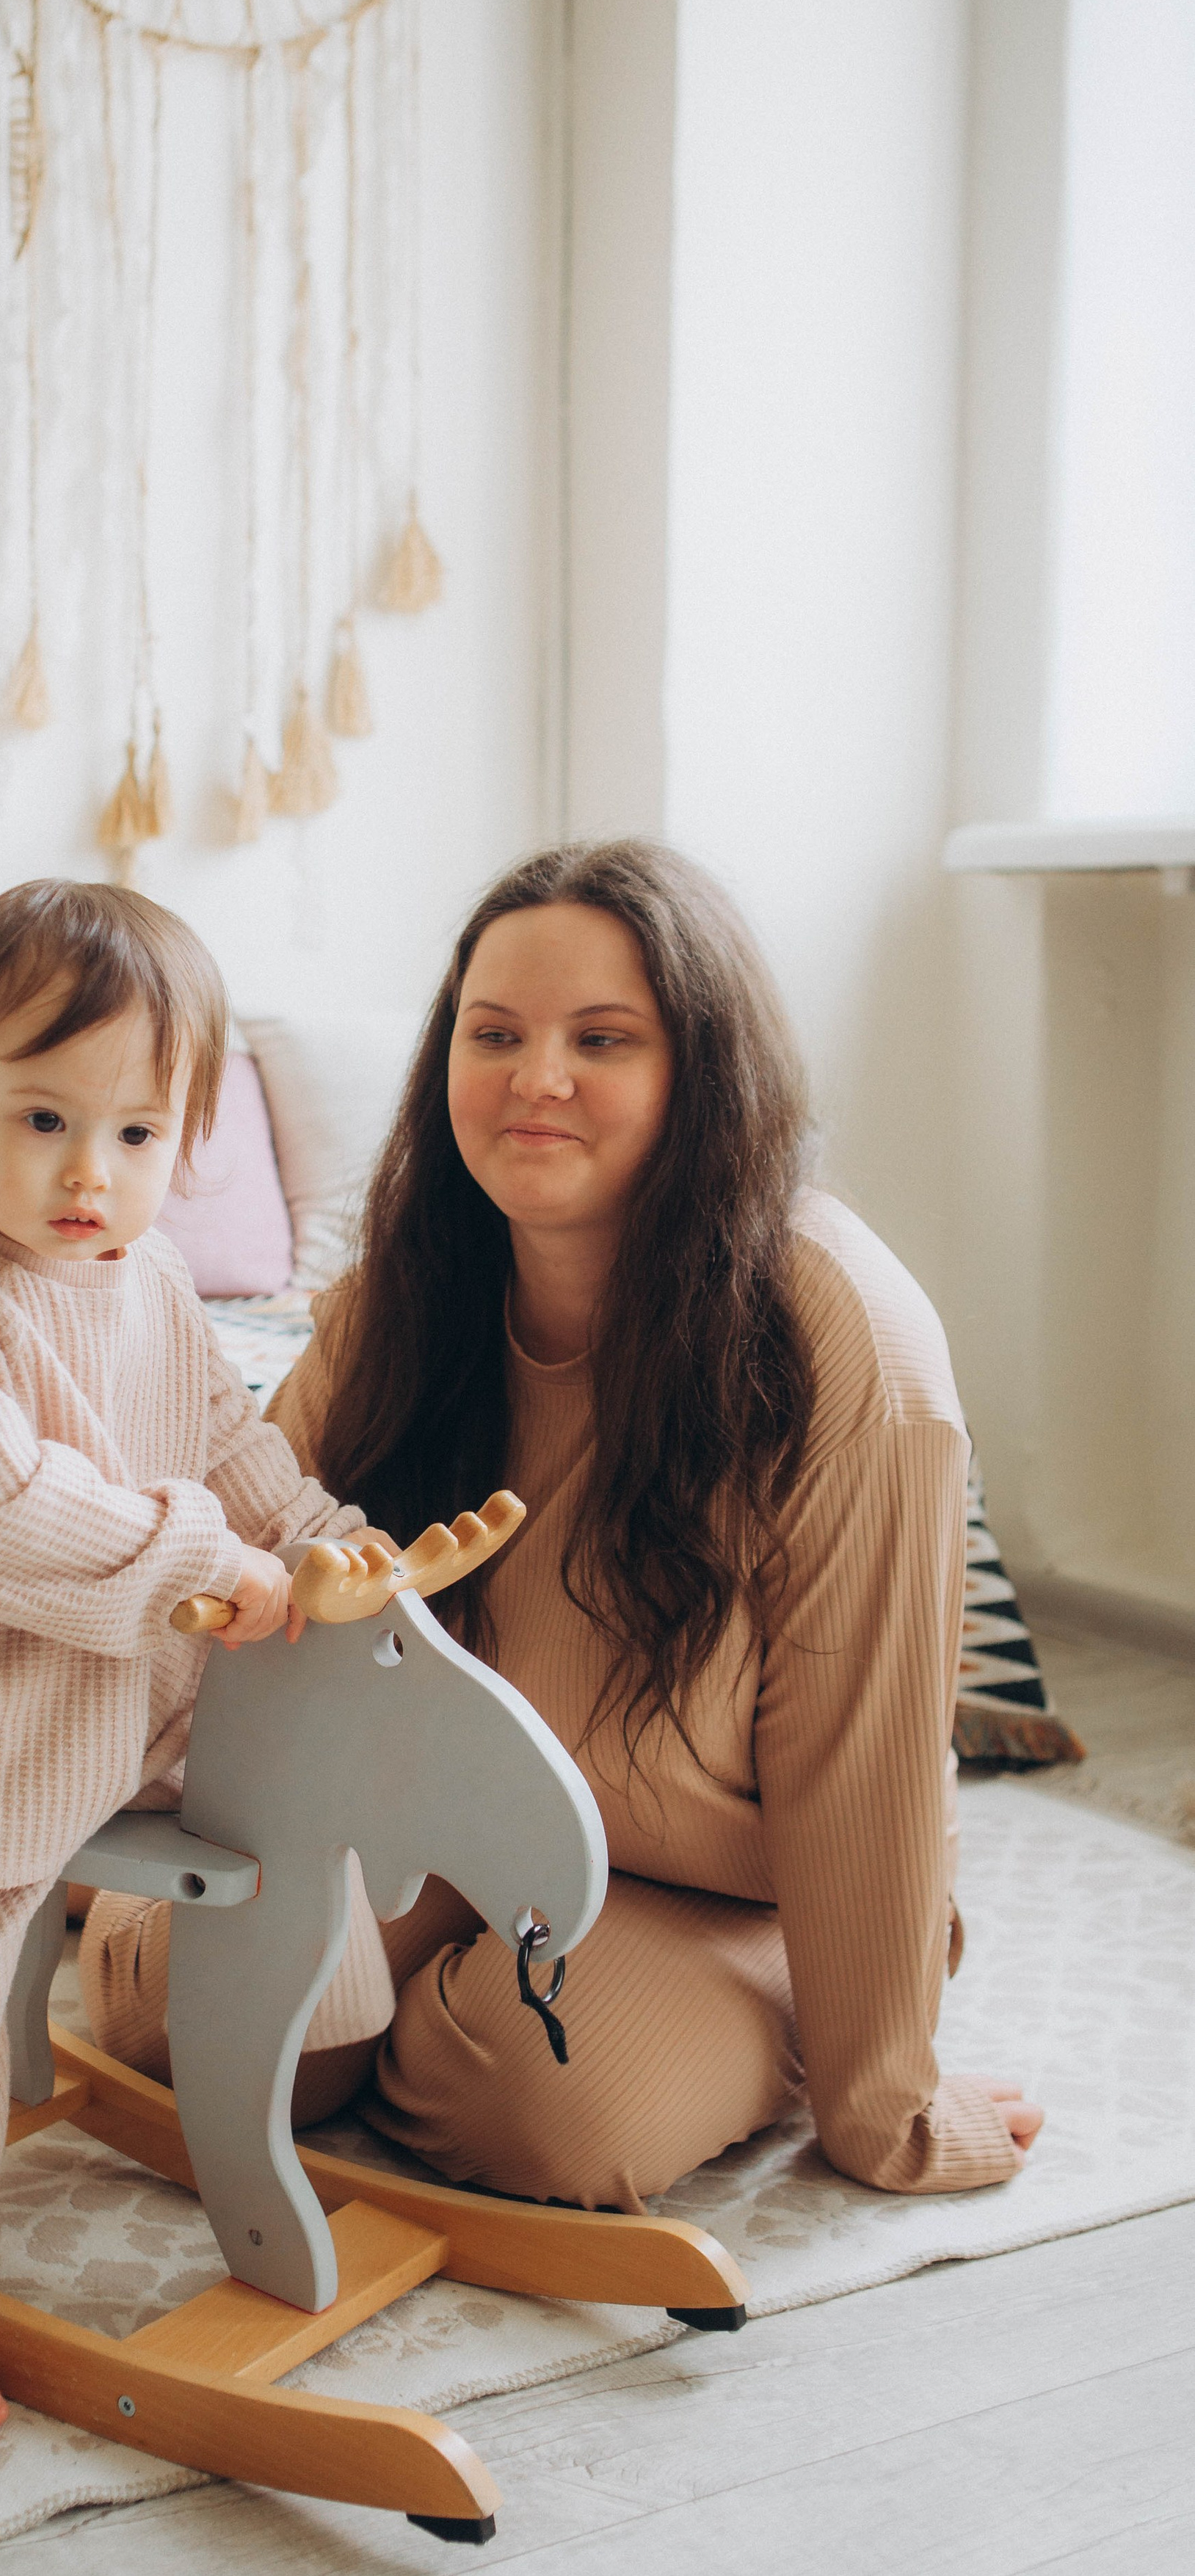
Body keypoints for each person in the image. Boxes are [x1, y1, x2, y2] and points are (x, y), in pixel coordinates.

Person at [82, 840, 1045, 2210]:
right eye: (496, 1035)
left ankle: (715, 2024)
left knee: (524, 2097)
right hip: (439, 1812)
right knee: (173, 2011)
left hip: (720, 1885)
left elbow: (866, 1752)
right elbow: (256, 1573)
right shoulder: (407, 1293)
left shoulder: (845, 1347)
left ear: (700, 1075)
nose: (538, 1079)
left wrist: (884, 2095)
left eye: (603, 1039)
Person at [0, 879, 374, 2452]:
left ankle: (315, 2032)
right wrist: (210, 1566)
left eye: (135, 1136)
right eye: (42, 1119)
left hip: (108, 1697)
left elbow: (220, 1437)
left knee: (316, 1762)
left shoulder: (154, 1276)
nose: (85, 1176)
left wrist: (318, 1539)